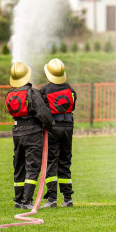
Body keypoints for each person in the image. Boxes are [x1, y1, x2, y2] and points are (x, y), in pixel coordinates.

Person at [5, 62, 52, 211]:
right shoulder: (32, 93)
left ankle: (18, 200)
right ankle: (27, 201)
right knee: (32, 167)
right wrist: (50, 124)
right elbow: (43, 113)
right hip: (33, 133)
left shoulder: (10, 95)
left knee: (19, 166)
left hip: (17, 132)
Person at [37, 58, 78, 208]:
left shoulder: (45, 90)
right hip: (68, 127)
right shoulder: (70, 89)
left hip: (53, 128)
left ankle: (52, 199)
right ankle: (68, 199)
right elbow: (72, 106)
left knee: (51, 162)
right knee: (65, 162)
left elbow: (41, 111)